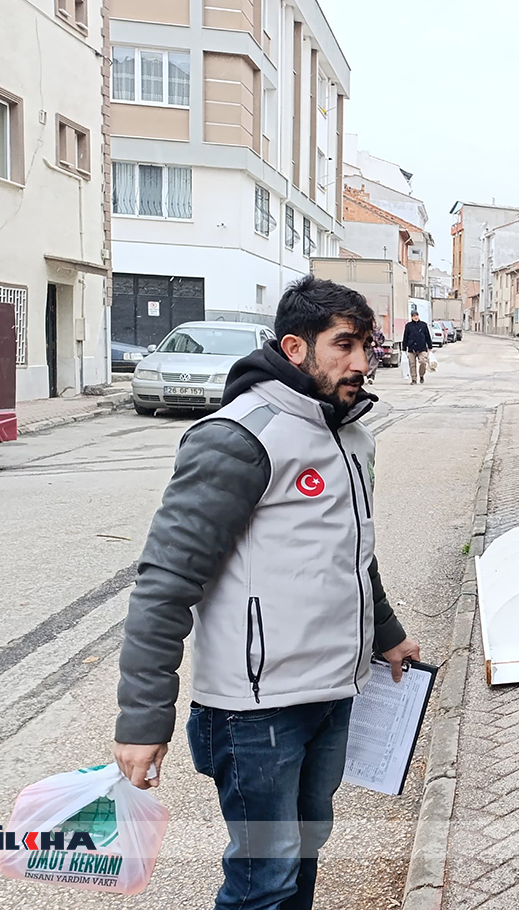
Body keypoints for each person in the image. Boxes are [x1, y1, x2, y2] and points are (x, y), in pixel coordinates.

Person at [113, 275, 422, 910]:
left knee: (305, 854)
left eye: (368, 344)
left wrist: (386, 635)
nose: (363, 362)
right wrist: (144, 720)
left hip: (332, 693)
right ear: (295, 347)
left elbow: (351, 551)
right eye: (345, 344)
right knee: (265, 880)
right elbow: (165, 580)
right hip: (256, 712)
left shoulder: (351, 433)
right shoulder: (240, 437)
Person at [402, 312, 433, 384]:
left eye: (416, 315)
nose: (415, 317)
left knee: (423, 362)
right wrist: (404, 348)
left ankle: (421, 375)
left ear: (418, 316)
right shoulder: (408, 326)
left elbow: (427, 336)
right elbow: (405, 337)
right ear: (411, 317)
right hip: (411, 348)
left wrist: (430, 346)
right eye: (414, 316)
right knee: (412, 364)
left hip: (422, 348)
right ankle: (414, 379)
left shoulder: (423, 325)